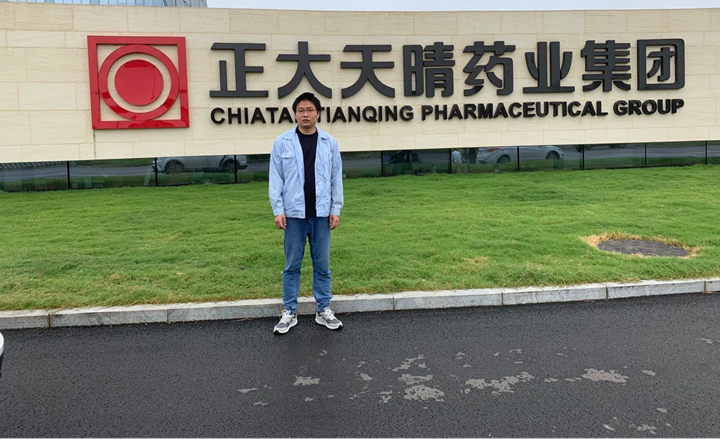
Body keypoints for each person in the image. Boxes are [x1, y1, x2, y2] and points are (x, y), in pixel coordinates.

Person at [268, 92, 344, 334]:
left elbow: (335, 178)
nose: (305, 114)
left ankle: (323, 309)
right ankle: (289, 311)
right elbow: (276, 178)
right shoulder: (282, 142)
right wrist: (278, 209)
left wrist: (335, 208)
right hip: (293, 216)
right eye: (300, 110)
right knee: (292, 265)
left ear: (318, 113)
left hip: (321, 214)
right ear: (295, 114)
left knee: (322, 264)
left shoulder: (329, 143)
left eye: (310, 110)